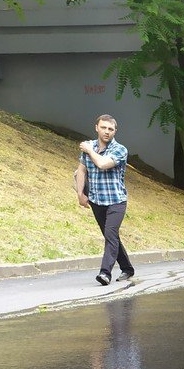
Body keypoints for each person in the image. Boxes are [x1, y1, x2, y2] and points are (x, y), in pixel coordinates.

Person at [74, 114, 135, 285]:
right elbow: (81, 171)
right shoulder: (89, 147)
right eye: (103, 128)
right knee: (111, 236)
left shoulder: (120, 150)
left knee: (110, 234)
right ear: (96, 128)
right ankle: (127, 268)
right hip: (96, 201)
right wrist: (80, 194)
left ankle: (105, 273)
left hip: (116, 200)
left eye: (110, 129)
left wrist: (89, 150)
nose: (107, 132)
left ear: (115, 131)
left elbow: (102, 164)